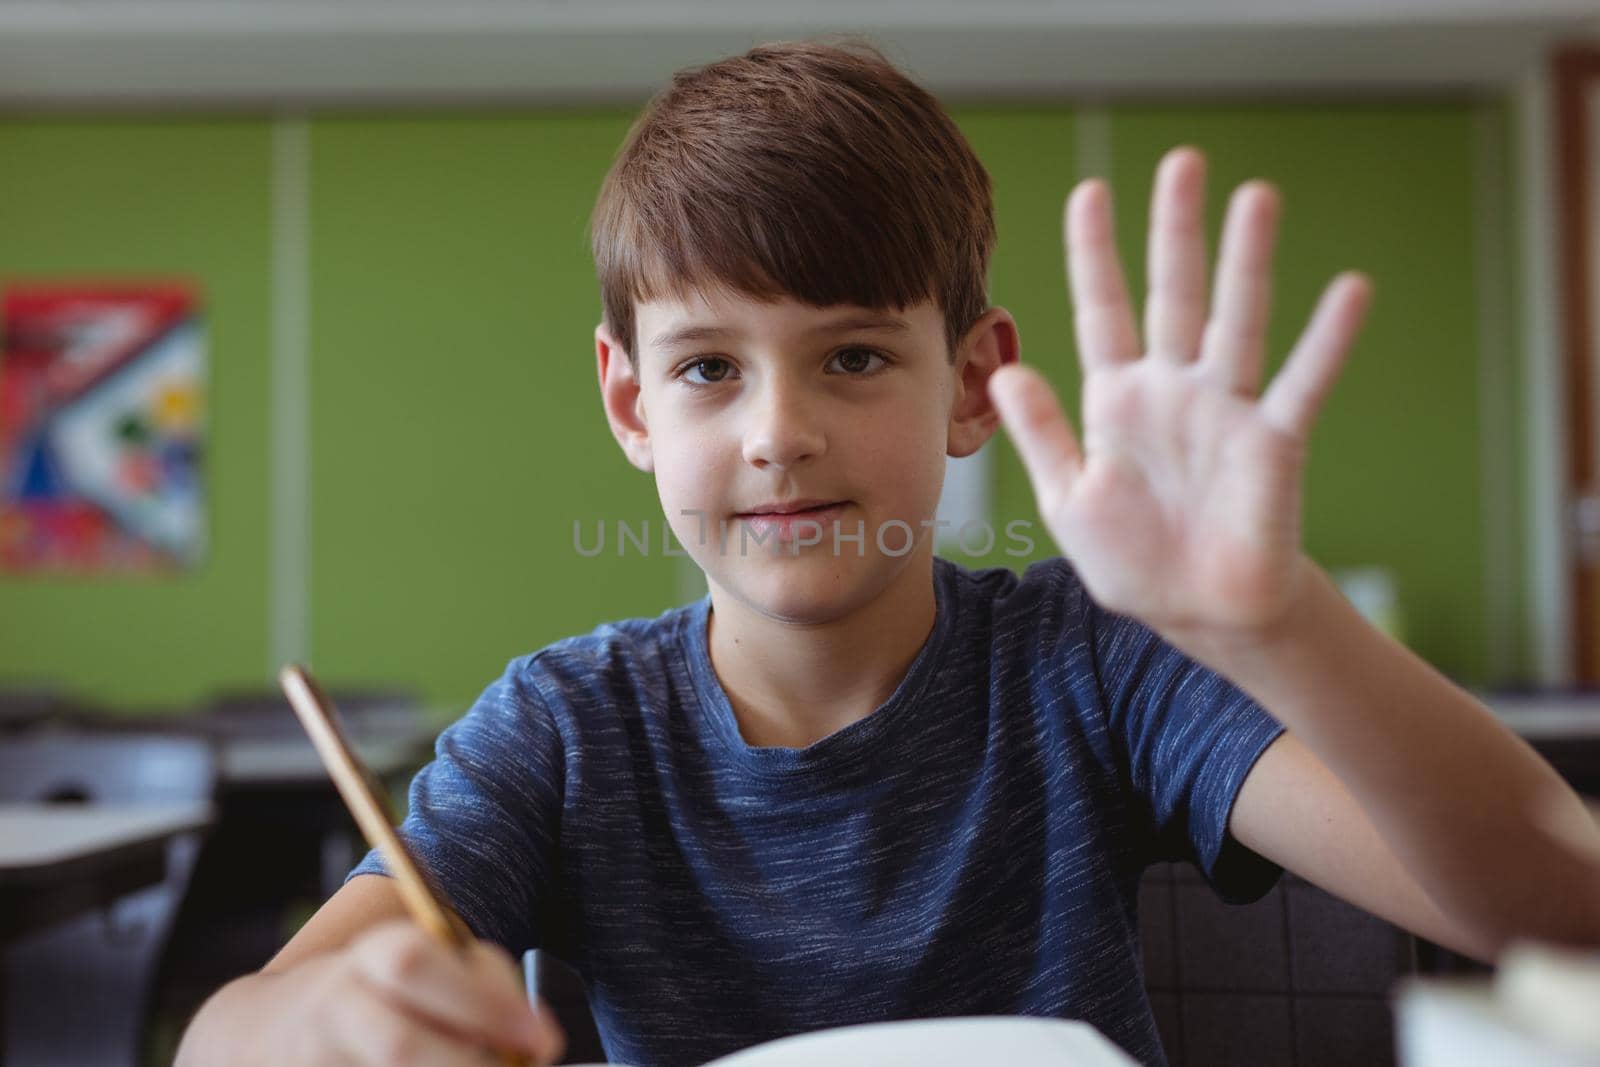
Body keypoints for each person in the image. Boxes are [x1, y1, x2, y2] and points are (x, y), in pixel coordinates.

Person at [176, 36, 1600, 1067]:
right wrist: (327, 1026)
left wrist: (1274, 618)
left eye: (852, 356)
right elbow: (226, 1043)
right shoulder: (566, 727)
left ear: (973, 384)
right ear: (630, 403)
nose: (778, 434)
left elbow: (1563, 907)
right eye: (708, 371)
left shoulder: (1091, 664)